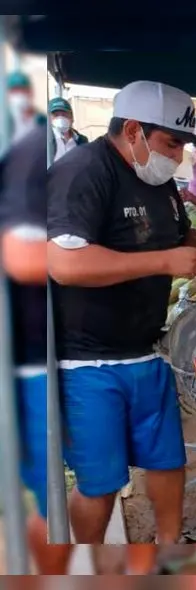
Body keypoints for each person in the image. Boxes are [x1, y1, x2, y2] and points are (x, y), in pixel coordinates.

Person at [47, 81, 196, 546]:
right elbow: (65, 264)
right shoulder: (83, 172)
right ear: (133, 131)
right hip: (87, 361)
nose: (179, 156)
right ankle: (85, 565)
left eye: (185, 145)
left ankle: (170, 550)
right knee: (101, 482)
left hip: (147, 352)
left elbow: (180, 232)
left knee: (167, 462)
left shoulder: (159, 179)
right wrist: (162, 263)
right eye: (173, 143)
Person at [0, 123, 76, 574]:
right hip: (29, 361)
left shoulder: (34, 147)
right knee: (43, 490)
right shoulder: (30, 150)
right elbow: (23, 257)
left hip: (34, 354)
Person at [7, 71, 46, 144]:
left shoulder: (41, 120)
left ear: (31, 92)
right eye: (15, 91)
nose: (19, 94)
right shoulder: (6, 120)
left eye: (23, 90)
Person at [48, 97, 89, 162]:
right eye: (56, 115)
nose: (60, 118)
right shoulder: (45, 140)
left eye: (64, 114)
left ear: (72, 117)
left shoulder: (82, 141)